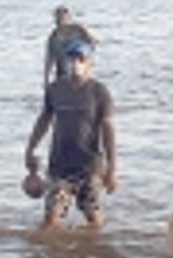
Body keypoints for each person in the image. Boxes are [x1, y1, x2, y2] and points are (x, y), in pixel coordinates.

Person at [24, 40, 117, 229]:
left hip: (89, 166)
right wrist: (30, 149)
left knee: (93, 220)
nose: (75, 63)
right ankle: (53, 247)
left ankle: (92, 246)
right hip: (60, 165)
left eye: (80, 59)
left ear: (90, 63)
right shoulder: (55, 90)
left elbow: (108, 129)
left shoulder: (99, 92)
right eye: (71, 58)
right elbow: (44, 119)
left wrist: (112, 168)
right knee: (51, 218)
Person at [43, 5, 98, 87]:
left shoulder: (78, 29)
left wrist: (84, 52)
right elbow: (49, 60)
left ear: (68, 18)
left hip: (80, 70)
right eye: (58, 18)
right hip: (62, 72)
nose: (60, 20)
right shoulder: (53, 37)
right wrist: (46, 79)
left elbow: (93, 43)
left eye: (62, 17)